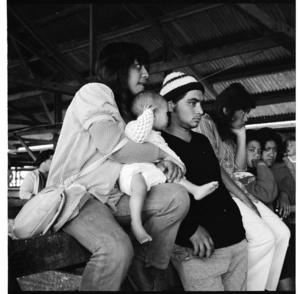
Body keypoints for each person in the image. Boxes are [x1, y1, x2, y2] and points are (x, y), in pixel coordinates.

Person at [46, 42, 190, 291]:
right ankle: (128, 256)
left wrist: (163, 166)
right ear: (117, 68)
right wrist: (160, 156)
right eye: (138, 66)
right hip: (79, 195)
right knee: (115, 249)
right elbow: (115, 147)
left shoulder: (125, 110)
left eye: (146, 67)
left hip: (113, 195)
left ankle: (142, 262)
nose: (146, 73)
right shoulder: (93, 92)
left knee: (177, 197)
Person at [193, 79, 290, 291]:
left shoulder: (228, 135)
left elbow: (237, 168)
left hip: (239, 190)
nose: (246, 118)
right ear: (227, 109)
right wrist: (246, 199)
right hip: (223, 192)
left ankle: (265, 287)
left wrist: (241, 133)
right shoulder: (206, 123)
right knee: (264, 239)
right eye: (244, 112)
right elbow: (214, 168)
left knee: (283, 234)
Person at [159, 72, 248, 291]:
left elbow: (218, 183)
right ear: (170, 104)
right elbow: (157, 198)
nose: (200, 110)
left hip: (236, 241)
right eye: (192, 103)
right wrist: (189, 229)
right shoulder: (159, 146)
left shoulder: (201, 140)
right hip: (198, 251)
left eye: (201, 103)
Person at [119, 90, 218, 244]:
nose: (168, 116)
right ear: (152, 113)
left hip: (151, 170)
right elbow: (138, 136)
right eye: (166, 113)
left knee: (174, 177)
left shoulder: (158, 136)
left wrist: (178, 166)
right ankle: (136, 223)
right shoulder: (133, 126)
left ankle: (195, 190)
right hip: (134, 171)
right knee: (139, 188)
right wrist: (147, 115)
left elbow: (168, 154)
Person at [257, 127, 295, 291]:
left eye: (274, 149)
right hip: (262, 236)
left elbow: (289, 187)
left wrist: (284, 193)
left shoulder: (280, 166)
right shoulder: (250, 170)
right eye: (266, 150)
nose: (271, 154)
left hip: (284, 231)